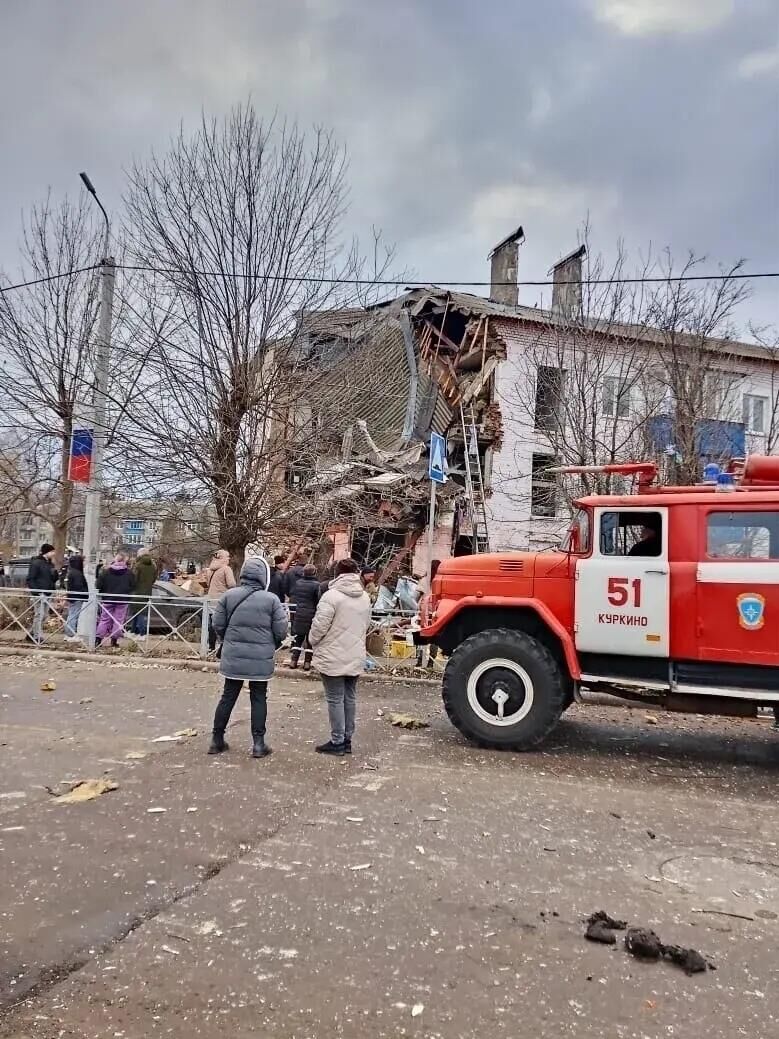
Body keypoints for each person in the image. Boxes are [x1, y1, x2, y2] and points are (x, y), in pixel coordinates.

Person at [208, 557, 288, 759]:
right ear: (263, 576)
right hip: (260, 657)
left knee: (228, 696)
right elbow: (281, 630)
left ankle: (216, 740)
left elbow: (217, 623)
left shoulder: (229, 596)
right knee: (259, 697)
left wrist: (228, 638)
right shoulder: (271, 600)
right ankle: (259, 744)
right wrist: (272, 644)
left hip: (233, 654)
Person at [309, 558, 371, 757]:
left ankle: (337, 741)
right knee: (350, 697)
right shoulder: (365, 597)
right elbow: (367, 624)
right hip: (355, 653)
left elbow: (319, 627)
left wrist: (312, 641)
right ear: (356, 573)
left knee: (335, 698)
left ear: (337, 573)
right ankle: (347, 739)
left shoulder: (331, 596)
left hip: (332, 655)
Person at [96, 553, 135, 648]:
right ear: (124, 561)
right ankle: (114, 640)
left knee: (104, 619)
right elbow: (133, 585)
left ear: (115, 560)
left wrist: (104, 592)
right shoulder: (129, 573)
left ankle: (98, 639)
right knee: (118, 620)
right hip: (122, 600)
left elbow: (98, 585)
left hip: (107, 599)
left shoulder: (106, 571)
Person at [26, 543, 58, 644]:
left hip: (48, 593)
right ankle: (37, 637)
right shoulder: (36, 563)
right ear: (47, 552)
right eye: (52, 551)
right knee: (39, 615)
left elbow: (52, 579)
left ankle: (31, 633)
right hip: (39, 594)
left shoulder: (49, 563)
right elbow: (30, 579)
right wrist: (37, 592)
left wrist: (55, 573)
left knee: (44, 616)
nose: (54, 553)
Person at [289, 564, 320, 670]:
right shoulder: (316, 585)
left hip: (299, 613)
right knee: (309, 641)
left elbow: (294, 595)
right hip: (311, 614)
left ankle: (293, 661)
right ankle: (307, 663)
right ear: (314, 572)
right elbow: (318, 600)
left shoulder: (298, 583)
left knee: (298, 638)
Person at [205, 550, 236, 653]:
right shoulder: (226, 569)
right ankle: (223, 646)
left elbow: (207, 583)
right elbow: (232, 584)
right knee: (224, 624)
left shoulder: (210, 570)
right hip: (222, 600)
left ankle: (211, 646)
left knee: (211, 624)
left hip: (211, 599)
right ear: (222, 558)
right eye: (227, 556)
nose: (229, 558)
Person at [130, 550, 157, 638]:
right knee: (141, 612)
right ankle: (134, 631)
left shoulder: (137, 565)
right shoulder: (153, 566)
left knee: (137, 612)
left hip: (136, 592)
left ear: (140, 555)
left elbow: (133, 579)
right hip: (147, 592)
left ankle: (141, 633)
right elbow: (154, 579)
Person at [63, 554, 89, 641]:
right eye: (83, 562)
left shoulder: (72, 572)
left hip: (73, 597)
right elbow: (79, 586)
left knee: (72, 614)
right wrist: (84, 593)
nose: (84, 563)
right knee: (73, 615)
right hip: (77, 597)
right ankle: (70, 634)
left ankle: (69, 633)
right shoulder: (77, 573)